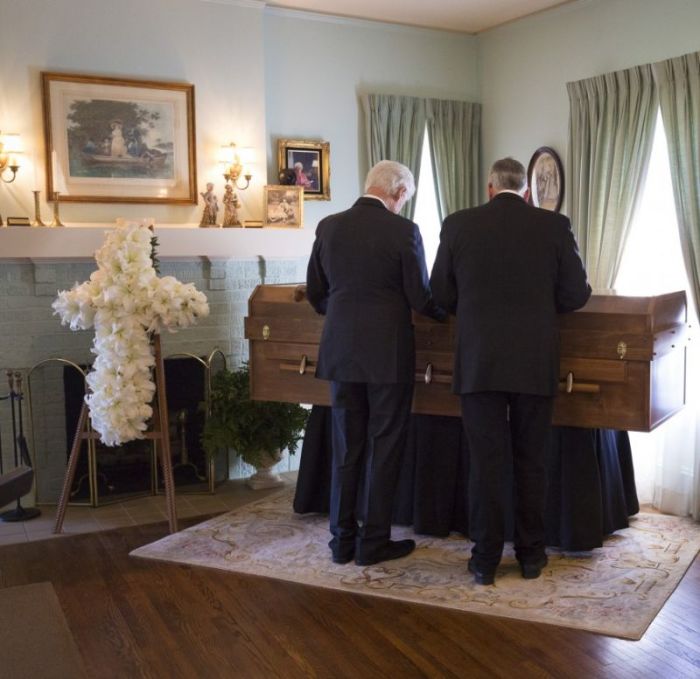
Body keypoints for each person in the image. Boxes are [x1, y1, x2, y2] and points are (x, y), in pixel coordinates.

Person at [430, 157, 591, 585]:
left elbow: (440, 293)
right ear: (525, 190)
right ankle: (532, 556)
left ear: (489, 188)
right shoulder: (554, 226)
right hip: (534, 360)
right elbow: (576, 294)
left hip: (479, 361)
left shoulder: (458, 224)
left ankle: (484, 559)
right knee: (531, 460)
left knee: (485, 463)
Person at [306, 160, 447, 567]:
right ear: (399, 193)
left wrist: (345, 317)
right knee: (384, 448)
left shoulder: (329, 226)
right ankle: (373, 544)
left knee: (346, 448)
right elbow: (420, 298)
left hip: (340, 352)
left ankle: (341, 541)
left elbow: (317, 292)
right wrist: (446, 313)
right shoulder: (403, 231)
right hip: (388, 355)